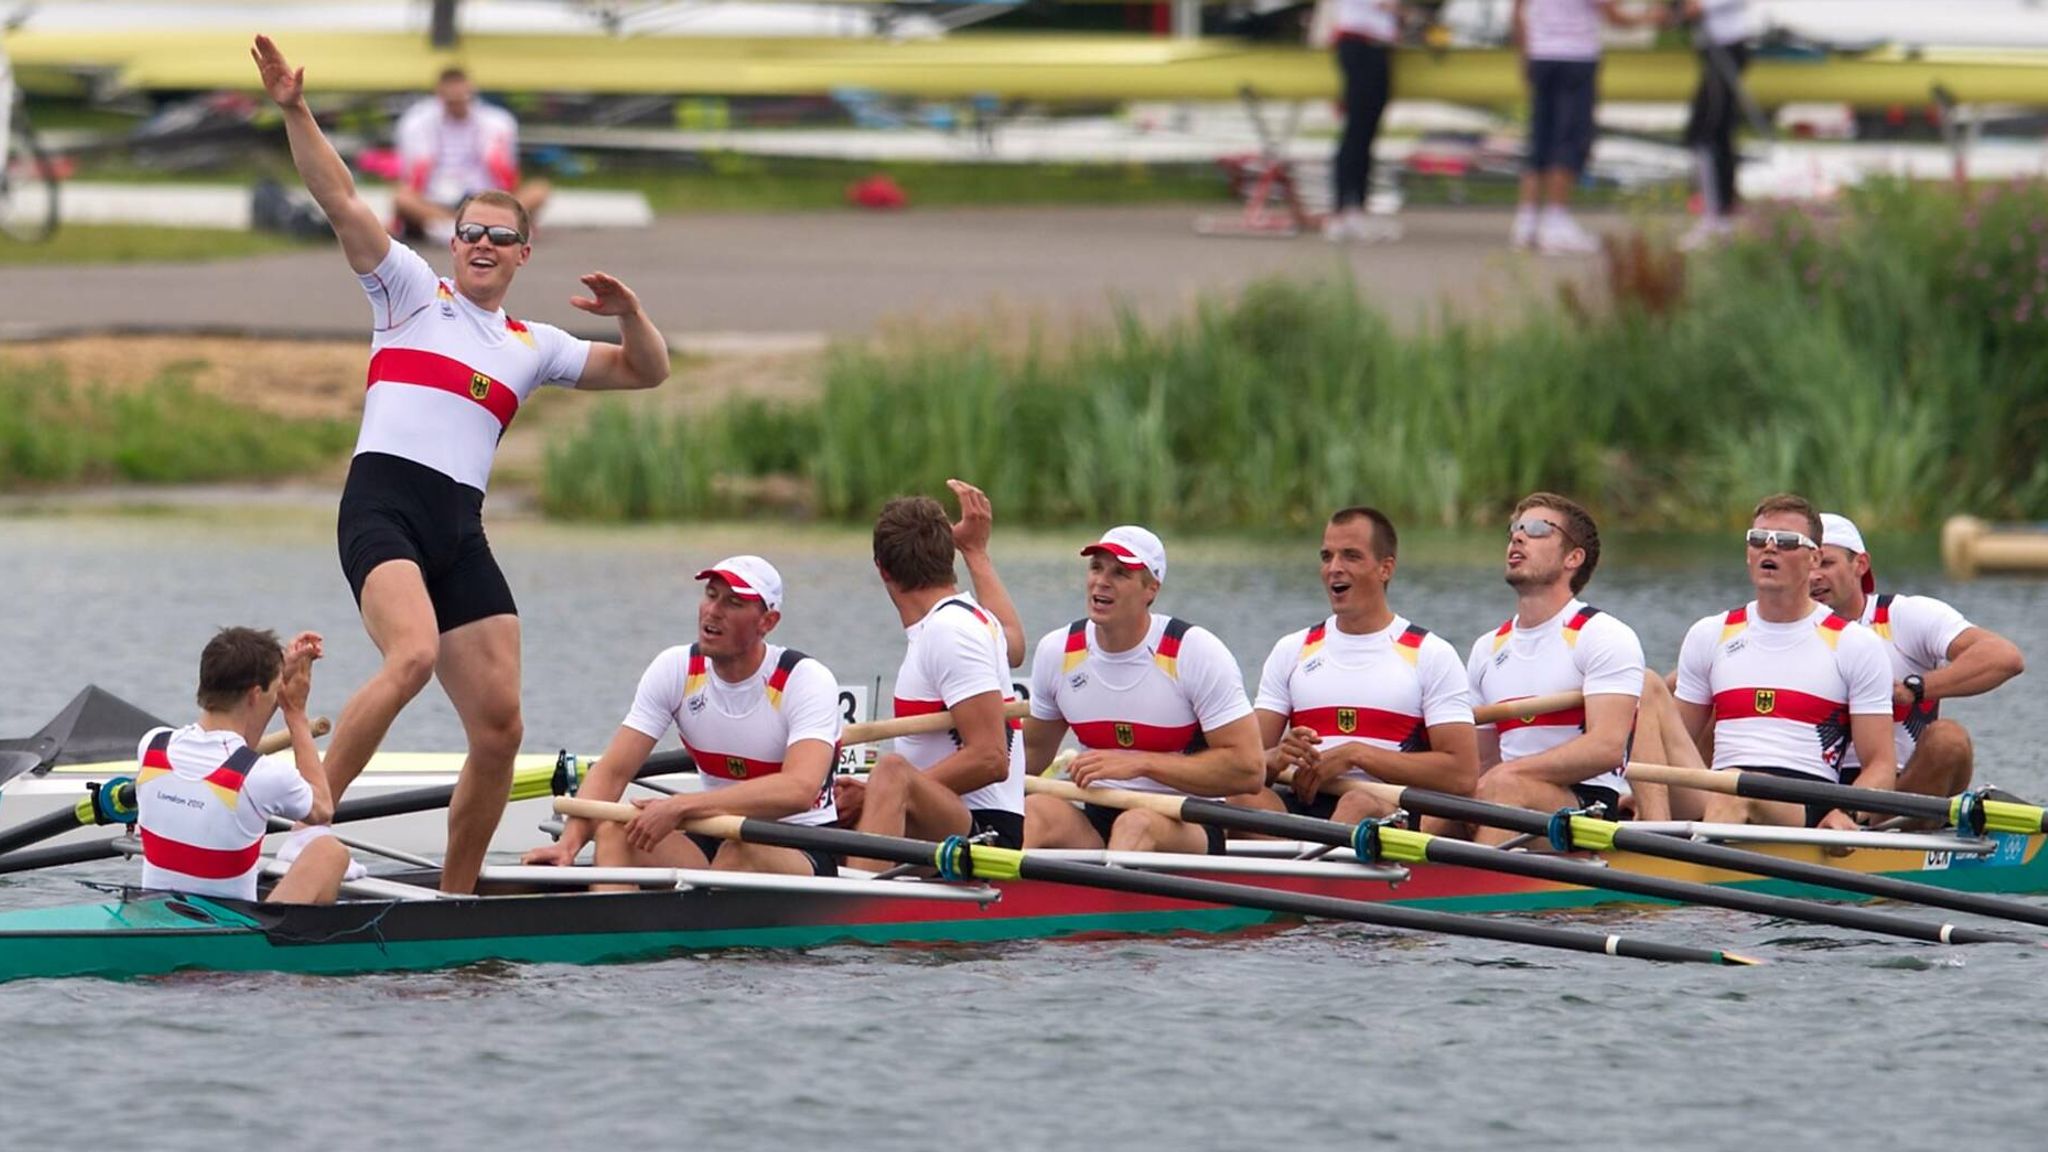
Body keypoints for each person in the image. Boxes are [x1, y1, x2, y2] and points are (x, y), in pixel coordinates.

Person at [251, 35, 672, 894]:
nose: (480, 243)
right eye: (469, 232)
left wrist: (629, 313)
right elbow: (338, 198)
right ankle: (305, 818)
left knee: (501, 727)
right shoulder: (407, 292)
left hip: (459, 529)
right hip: (384, 507)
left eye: (498, 236)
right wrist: (295, 108)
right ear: (452, 244)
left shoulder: (535, 344)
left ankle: (457, 895)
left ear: (524, 253)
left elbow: (647, 370)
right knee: (408, 659)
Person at [522, 557, 843, 879]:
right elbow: (614, 771)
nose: (713, 610)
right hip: (713, 834)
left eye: (734, 602)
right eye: (711, 594)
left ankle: (688, 919)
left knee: (740, 851)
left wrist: (682, 806)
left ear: (767, 622)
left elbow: (798, 789)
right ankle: (619, 926)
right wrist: (570, 843)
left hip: (800, 843)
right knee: (614, 831)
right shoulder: (675, 668)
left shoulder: (803, 679)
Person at [1021, 526, 1264, 852]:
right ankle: (984, 896)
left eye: (1120, 573)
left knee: (1135, 824)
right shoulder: (1059, 651)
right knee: (1034, 812)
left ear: (1151, 589)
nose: (1101, 581)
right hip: (1096, 811)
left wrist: (1140, 763)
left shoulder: (1193, 652)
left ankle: (1104, 898)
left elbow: (1248, 770)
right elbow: (1033, 755)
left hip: (1185, 820)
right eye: (1096, 568)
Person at [1670, 494, 1897, 829]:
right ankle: (1639, 826)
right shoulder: (1710, 633)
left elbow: (1880, 765)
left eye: (1787, 542)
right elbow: (1676, 742)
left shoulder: (1855, 644)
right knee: (1648, 687)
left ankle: (1679, 865)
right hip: (1718, 789)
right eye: (1758, 540)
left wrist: (1848, 813)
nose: (1769, 549)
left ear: (1814, 559)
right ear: (1748, 554)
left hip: (1803, 800)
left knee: (1733, 791)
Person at [1242, 506, 1477, 826]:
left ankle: (1313, 868)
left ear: (1386, 568)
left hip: (1389, 810)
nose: (1334, 568)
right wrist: (1277, 757)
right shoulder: (1293, 650)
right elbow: (1244, 765)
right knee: (1241, 797)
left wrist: (1355, 754)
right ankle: (1305, 867)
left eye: (1351, 556)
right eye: (1327, 557)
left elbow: (1462, 774)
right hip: (1305, 804)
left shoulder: (1430, 654)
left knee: (1356, 804)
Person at [833, 485, 1029, 870]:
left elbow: (991, 758)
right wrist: (975, 551)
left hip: (985, 833)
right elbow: (1015, 644)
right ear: (947, 557)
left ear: (882, 568)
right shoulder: (968, 619)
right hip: (942, 814)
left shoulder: (950, 632)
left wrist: (878, 792)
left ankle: (852, 921)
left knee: (889, 771)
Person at [1810, 512, 2025, 798]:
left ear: (1860, 564)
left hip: (1904, 789)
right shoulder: (1778, 628)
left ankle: (1887, 826)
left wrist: (1914, 689)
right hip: (1810, 786)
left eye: (1826, 563)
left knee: (1949, 739)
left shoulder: (1904, 616)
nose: (1814, 576)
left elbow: (2004, 657)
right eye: (1807, 565)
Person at [135, 627, 352, 905]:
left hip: (156, 916)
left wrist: (273, 674)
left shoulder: (153, 746)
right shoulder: (264, 777)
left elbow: (236, 752)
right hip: (230, 935)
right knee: (328, 851)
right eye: (275, 691)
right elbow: (322, 809)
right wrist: (295, 714)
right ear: (254, 696)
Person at [1509, 0, 1650, 254]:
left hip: (1541, 53)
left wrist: (1524, 53)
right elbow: (1612, 13)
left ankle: (1526, 221)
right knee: (1569, 139)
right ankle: (1556, 221)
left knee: (1540, 137)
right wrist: (1650, 18)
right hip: (1576, 55)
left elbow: (1517, 12)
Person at [392, 67, 551, 242]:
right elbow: (411, 174)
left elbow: (508, 172)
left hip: (484, 196)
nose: (457, 104)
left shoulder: (497, 121)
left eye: (461, 98)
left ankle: (462, 229)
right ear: (440, 95)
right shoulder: (417, 122)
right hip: (437, 199)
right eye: (451, 100)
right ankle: (483, 229)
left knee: (539, 190)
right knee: (402, 197)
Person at [1321, 0, 1404, 243]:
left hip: (1376, 45)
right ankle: (1341, 209)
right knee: (1356, 130)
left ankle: (1356, 207)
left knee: (1366, 132)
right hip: (1359, 43)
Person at [1676, 0, 1755, 249]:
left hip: (1725, 48)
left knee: (1704, 133)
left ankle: (1715, 217)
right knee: (1718, 132)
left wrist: (1703, 6)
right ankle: (1720, 215)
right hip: (1713, 48)